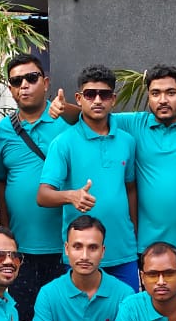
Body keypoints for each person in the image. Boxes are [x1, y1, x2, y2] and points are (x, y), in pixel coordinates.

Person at [49, 65, 176, 298]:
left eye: (171, 92)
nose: (163, 100)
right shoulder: (134, 124)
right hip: (148, 247)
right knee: (150, 313)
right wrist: (63, 108)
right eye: (155, 93)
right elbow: (94, 113)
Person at [38, 64, 140, 290]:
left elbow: (130, 188)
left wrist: (134, 232)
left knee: (128, 309)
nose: (97, 100)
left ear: (113, 99)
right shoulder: (63, 143)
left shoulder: (127, 141)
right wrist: (71, 196)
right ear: (79, 98)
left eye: (104, 94)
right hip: (81, 255)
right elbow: (43, 195)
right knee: (82, 309)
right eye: (90, 94)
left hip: (123, 252)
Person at [0, 53, 71, 321]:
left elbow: (95, 116)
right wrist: (5, 231)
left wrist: (69, 108)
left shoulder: (66, 121)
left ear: (46, 82)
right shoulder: (4, 129)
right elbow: (0, 181)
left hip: (64, 247)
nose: (24, 85)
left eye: (31, 78)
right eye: (17, 81)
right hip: (22, 248)